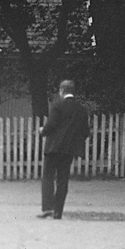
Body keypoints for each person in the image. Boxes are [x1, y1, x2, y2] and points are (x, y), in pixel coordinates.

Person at [38, 79, 92, 219]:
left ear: (61, 91)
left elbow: (50, 125)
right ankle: (58, 212)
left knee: (48, 176)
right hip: (69, 149)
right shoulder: (81, 109)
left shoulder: (57, 105)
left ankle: (47, 208)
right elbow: (85, 131)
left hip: (53, 148)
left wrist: (42, 130)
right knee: (63, 179)